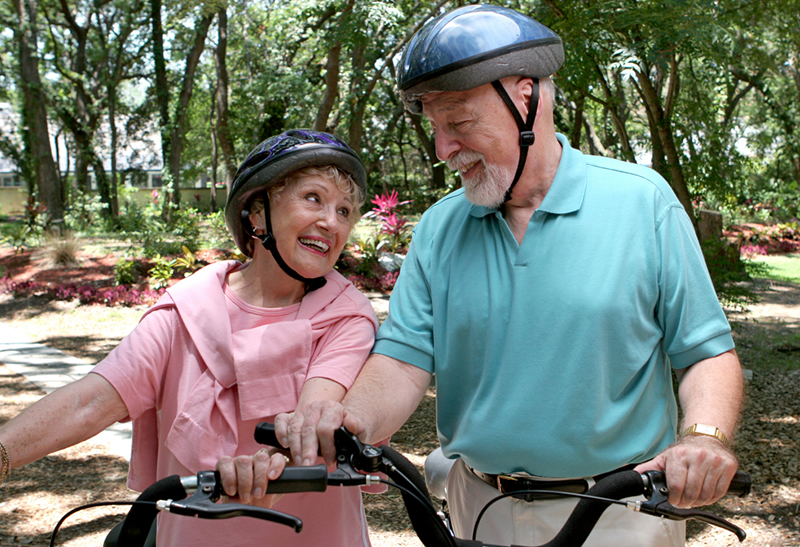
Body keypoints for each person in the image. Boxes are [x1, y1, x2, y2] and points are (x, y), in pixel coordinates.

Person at [275, 6, 743, 547]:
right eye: (435, 127)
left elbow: (705, 352)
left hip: (620, 513)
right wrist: (348, 418)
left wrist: (704, 437)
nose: (442, 149)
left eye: (459, 122)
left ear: (526, 97)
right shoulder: (440, 228)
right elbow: (402, 362)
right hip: (478, 505)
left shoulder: (643, 203)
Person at [0, 129, 379, 547]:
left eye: (345, 211)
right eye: (313, 197)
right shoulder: (187, 309)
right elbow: (89, 402)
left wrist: (265, 466)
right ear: (256, 211)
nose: (332, 221)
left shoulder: (348, 315)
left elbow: (314, 415)